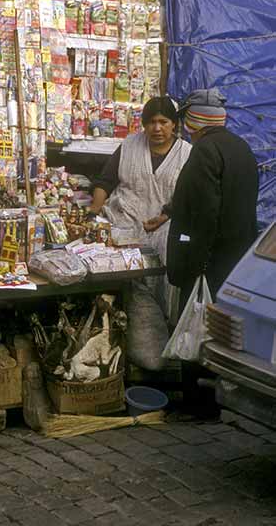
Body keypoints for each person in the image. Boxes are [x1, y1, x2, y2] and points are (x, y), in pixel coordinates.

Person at [167, 88, 259, 415]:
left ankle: (198, 403)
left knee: (196, 328)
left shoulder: (204, 151)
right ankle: (218, 398)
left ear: (195, 120)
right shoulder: (241, 147)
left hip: (206, 259)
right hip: (234, 259)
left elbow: (204, 211)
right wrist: (168, 210)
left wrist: (195, 260)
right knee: (220, 331)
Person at [90, 96, 192, 260]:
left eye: (163, 122)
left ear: (173, 123)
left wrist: (165, 217)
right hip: (120, 223)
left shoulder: (186, 154)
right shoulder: (130, 145)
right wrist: (94, 209)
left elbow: (189, 198)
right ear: (144, 124)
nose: (157, 128)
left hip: (162, 231)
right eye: (151, 122)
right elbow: (106, 181)